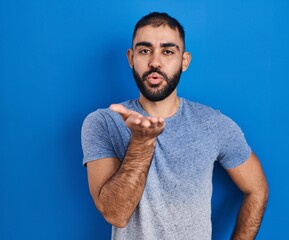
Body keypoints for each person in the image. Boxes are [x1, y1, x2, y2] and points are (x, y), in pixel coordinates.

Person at [81, 12, 268, 240]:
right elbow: (116, 214)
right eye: (144, 50)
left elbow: (257, 189)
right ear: (131, 58)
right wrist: (141, 142)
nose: (155, 62)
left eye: (168, 51)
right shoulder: (103, 122)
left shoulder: (214, 124)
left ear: (184, 61)